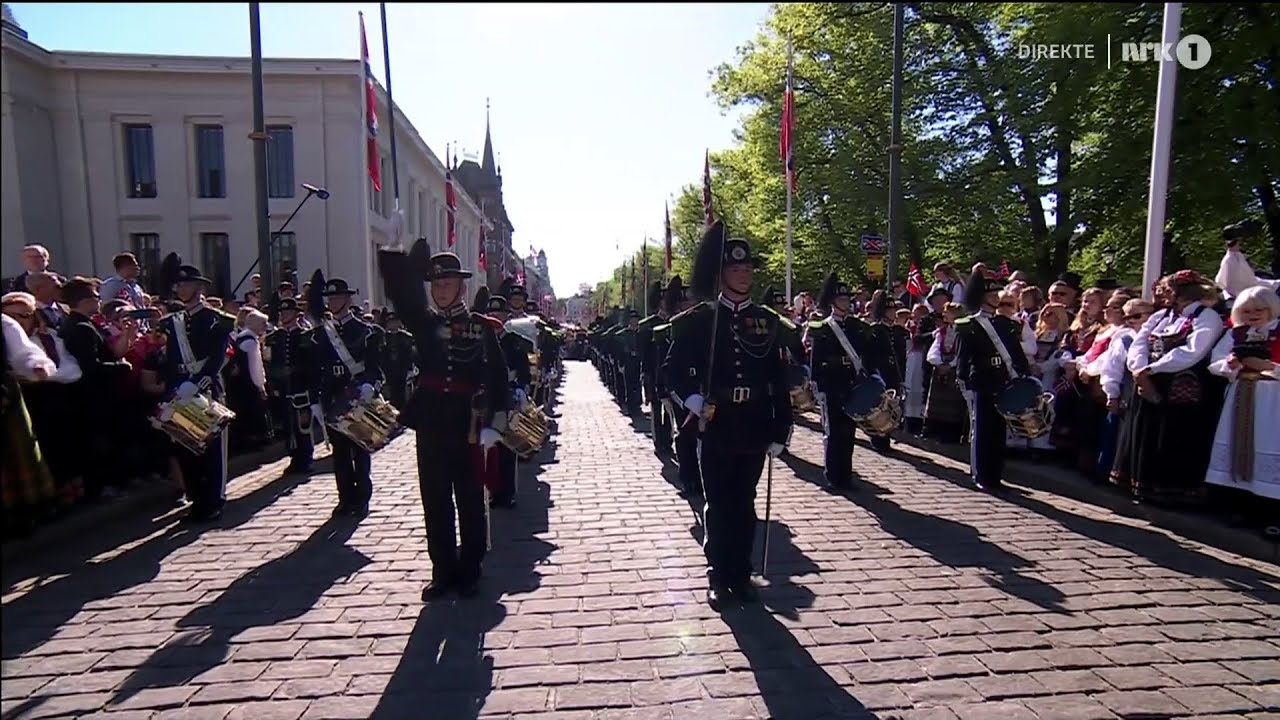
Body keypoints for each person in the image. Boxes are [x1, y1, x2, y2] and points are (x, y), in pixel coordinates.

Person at [665, 221, 792, 609]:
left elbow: (778, 377)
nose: (744, 274)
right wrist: (692, 401)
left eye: (748, 268)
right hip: (717, 421)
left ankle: (741, 571)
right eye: (736, 269)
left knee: (746, 501)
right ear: (720, 275)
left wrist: (780, 429)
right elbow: (672, 369)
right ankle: (719, 574)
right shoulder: (699, 320)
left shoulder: (768, 321)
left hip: (754, 421)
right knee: (719, 502)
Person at [378, 242, 509, 600]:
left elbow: (498, 378)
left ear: (461, 287)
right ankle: (442, 569)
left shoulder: (480, 328)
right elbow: (403, 299)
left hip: (468, 423)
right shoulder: (425, 323)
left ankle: (470, 568)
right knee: (434, 498)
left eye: (447, 284)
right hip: (432, 422)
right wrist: (391, 255)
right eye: (435, 285)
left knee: (469, 498)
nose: (441, 290)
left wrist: (494, 426)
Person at [1111, 270, 1225, 506]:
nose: (1163, 294)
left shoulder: (1207, 317)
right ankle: (1140, 484)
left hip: (1182, 385)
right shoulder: (1161, 316)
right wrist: (1140, 370)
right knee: (1145, 432)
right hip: (1148, 379)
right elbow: (1139, 343)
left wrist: (1154, 369)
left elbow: (1193, 351)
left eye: (1168, 290)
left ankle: (1172, 491)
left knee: (1172, 435)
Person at [155, 264, 236, 522]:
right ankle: (197, 500)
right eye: (178, 285)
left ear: (200, 288)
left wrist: (198, 383)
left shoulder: (219, 320)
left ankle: (214, 500)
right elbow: (168, 360)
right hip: (179, 389)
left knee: (211, 450)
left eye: (186, 284)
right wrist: (171, 391)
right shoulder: (170, 323)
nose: (181, 289)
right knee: (186, 449)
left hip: (207, 390)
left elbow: (217, 359)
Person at [307, 276, 384, 517]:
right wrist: (314, 400)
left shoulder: (367, 332)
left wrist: (371, 386)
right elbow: (314, 370)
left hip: (357, 395)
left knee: (360, 450)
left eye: (338, 297)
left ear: (349, 299)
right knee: (339, 453)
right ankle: (345, 498)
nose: (333, 302)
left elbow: (376, 368)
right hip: (332, 398)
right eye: (330, 298)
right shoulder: (319, 335)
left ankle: (362, 497)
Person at [1204, 285, 1279, 511]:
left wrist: (1268, 366)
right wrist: (1231, 364)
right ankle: (1238, 504)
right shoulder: (1234, 333)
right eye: (1246, 310)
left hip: (1272, 398)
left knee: (1267, 445)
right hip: (1240, 395)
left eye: (1259, 309)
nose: (1253, 315)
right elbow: (1215, 362)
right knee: (1238, 446)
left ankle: (1269, 508)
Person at [954, 273, 1031, 492]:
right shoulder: (968, 326)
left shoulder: (1005, 324)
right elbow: (963, 359)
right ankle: (982, 475)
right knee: (983, 430)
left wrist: (1023, 373)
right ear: (981, 296)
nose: (997, 298)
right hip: (982, 381)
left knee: (998, 431)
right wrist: (964, 382)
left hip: (1002, 380)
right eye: (991, 293)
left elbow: (1016, 353)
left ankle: (996, 474)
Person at [806, 272, 875, 491]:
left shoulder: (857, 326)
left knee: (849, 431)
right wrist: (817, 385)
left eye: (847, 299)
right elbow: (815, 359)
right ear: (832, 302)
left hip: (852, 382)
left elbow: (866, 354)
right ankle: (833, 475)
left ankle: (846, 475)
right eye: (841, 299)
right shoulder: (823, 328)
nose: (845, 302)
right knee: (834, 431)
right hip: (832, 384)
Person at [652, 276, 701, 496]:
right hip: (680, 388)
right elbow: (661, 363)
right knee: (685, 434)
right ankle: (689, 477)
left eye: (690, 302)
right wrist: (662, 391)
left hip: (702, 387)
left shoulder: (700, 323)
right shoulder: (670, 328)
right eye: (683, 303)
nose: (687, 306)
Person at [487, 283, 532, 508]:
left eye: (499, 314)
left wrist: (522, 390)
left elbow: (524, 371)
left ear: (505, 317)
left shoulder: (514, 342)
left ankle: (507, 492)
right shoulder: (481, 341)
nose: (495, 318)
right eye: (491, 314)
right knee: (487, 448)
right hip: (486, 399)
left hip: (507, 396)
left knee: (506, 448)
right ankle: (492, 491)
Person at [264, 298, 317, 475]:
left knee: (303, 425)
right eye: (282, 313)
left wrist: (296, 371)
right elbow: (270, 363)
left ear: (296, 315)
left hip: (300, 387)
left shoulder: (305, 336)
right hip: (283, 389)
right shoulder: (274, 337)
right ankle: (294, 458)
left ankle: (306, 458)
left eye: (288, 313)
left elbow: (312, 364)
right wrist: (275, 379)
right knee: (288, 426)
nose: (284, 315)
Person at [636, 281, 672, 455]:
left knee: (671, 411)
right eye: (664, 300)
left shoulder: (676, 322)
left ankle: (669, 438)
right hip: (655, 371)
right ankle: (660, 441)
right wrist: (645, 373)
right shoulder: (648, 325)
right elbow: (644, 351)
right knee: (657, 409)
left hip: (672, 372)